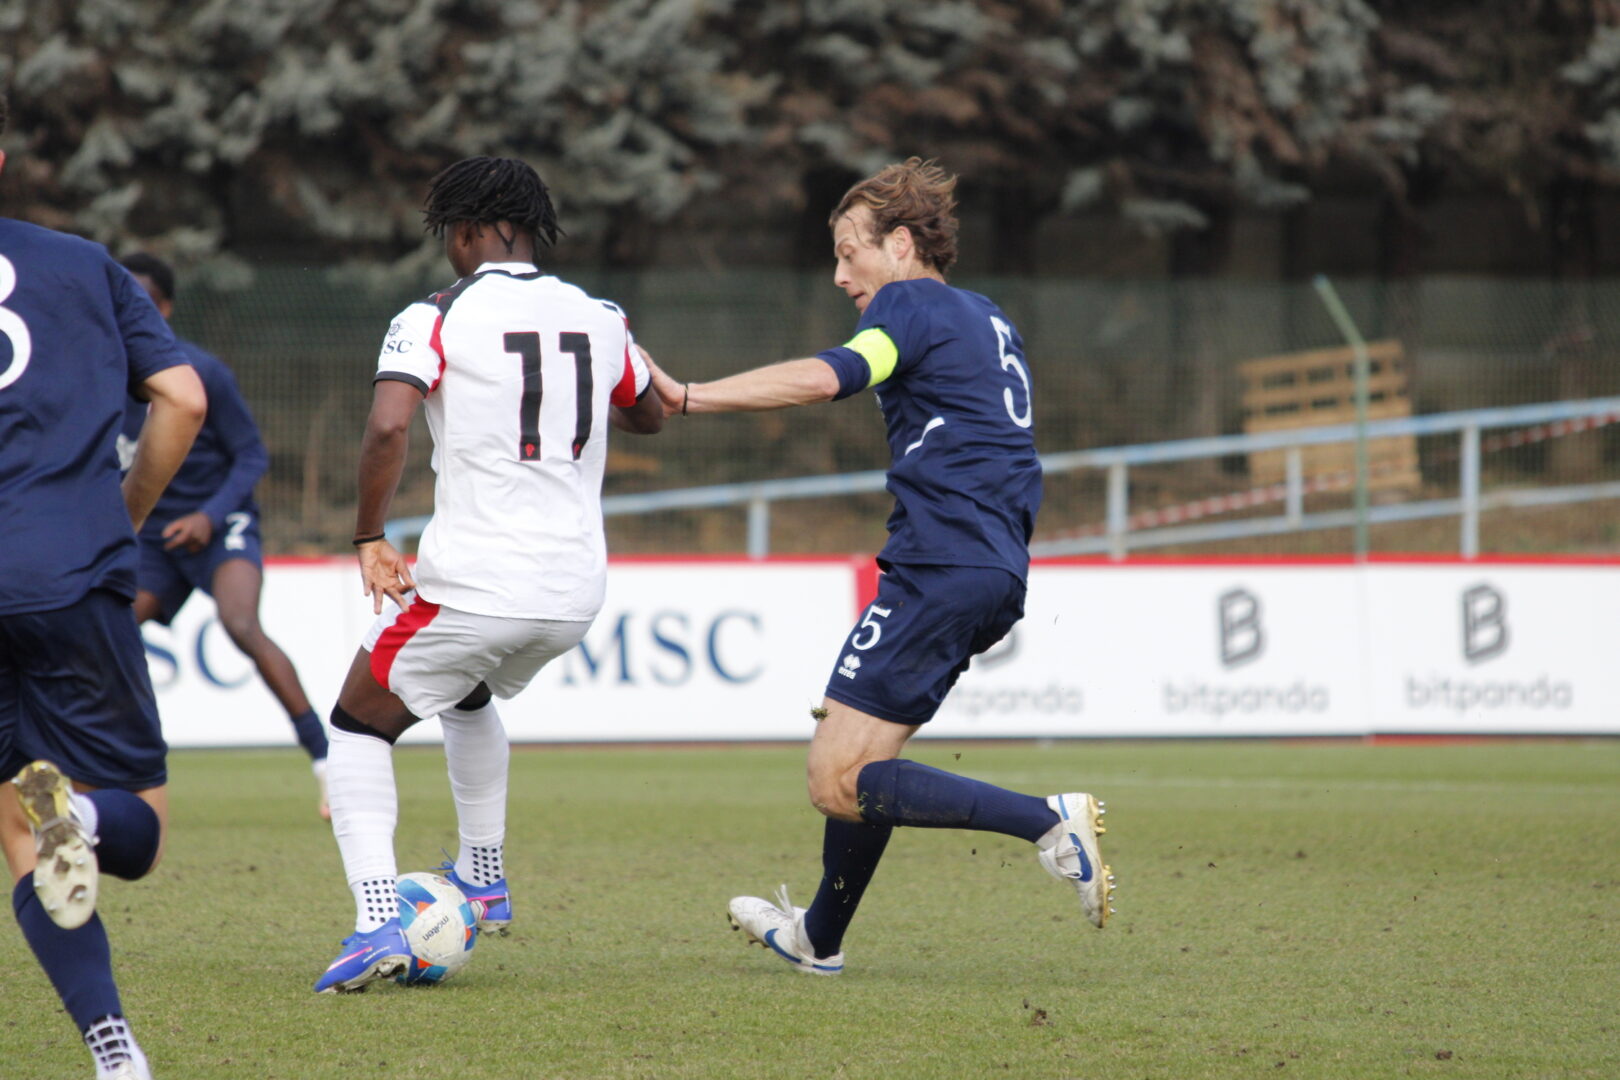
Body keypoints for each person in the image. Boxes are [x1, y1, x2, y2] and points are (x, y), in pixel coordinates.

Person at [640, 158, 1115, 975]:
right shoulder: (988, 317)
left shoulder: (909, 303)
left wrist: (688, 395)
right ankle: (818, 939)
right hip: (993, 565)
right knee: (860, 761)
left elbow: (836, 375)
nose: (840, 274)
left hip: (942, 560)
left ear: (899, 245)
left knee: (835, 780)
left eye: (848, 251)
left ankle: (1047, 821)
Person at [313, 156, 664, 993]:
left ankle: (377, 919)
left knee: (357, 725)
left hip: (479, 582)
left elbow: (388, 426)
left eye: (448, 233)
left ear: (471, 230)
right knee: (465, 692)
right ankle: (484, 877)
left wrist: (369, 534)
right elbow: (648, 413)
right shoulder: (601, 316)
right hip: (575, 592)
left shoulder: (434, 315)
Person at [0, 93, 208, 1079]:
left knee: (16, 824)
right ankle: (80, 817)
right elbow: (183, 398)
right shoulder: (83, 265)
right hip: (65, 570)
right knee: (137, 830)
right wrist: (124, 513)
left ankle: (113, 1051)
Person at [116, 252, 331, 818]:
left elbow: (252, 454)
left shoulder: (201, 373)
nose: (130, 311)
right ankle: (120, 766)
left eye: (144, 301)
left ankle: (327, 761)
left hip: (218, 526)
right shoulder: (100, 377)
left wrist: (209, 516)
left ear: (165, 307)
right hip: (152, 538)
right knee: (108, 632)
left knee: (240, 624)